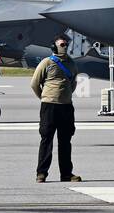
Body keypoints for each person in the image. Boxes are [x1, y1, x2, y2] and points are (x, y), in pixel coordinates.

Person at [31, 37, 81, 183]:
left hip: (66, 107)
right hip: (49, 107)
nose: (65, 47)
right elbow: (34, 83)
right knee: (47, 140)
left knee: (65, 141)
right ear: (54, 46)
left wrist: (65, 96)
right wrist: (44, 97)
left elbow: (73, 83)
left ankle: (66, 174)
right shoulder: (46, 62)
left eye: (66, 45)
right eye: (62, 45)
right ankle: (41, 173)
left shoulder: (72, 63)